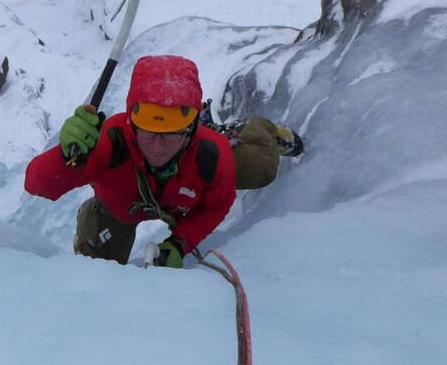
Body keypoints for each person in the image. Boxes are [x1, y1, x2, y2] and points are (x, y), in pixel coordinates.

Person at [24, 54, 302, 267]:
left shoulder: (212, 154)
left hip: (191, 180)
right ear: (132, 125)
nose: (157, 148)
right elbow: (38, 186)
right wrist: (65, 156)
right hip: (119, 207)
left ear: (191, 130)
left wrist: (180, 243)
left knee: (261, 170)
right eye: (148, 134)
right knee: (96, 271)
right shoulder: (109, 142)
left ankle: (258, 128)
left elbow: (214, 207)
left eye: (171, 135)